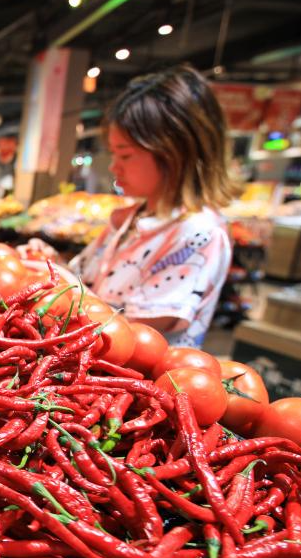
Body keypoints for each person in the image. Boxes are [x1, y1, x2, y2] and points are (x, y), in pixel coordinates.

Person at [69, 64, 238, 348]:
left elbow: (132, 332)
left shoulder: (200, 233)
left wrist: (61, 288)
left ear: (174, 153)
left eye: (125, 155)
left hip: (130, 371)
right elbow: (80, 279)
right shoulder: (134, 217)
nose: (113, 167)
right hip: (89, 359)